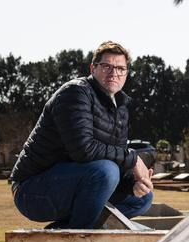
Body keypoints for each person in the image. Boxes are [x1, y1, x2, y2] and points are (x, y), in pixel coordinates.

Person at [10, 41, 153, 229]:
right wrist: (133, 159)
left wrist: (132, 185)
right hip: (33, 191)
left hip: (78, 183)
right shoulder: (76, 92)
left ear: (126, 73)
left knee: (141, 198)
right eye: (106, 66)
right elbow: (83, 150)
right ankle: (77, 239)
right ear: (93, 68)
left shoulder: (121, 107)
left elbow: (113, 156)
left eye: (120, 68)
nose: (113, 73)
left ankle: (62, 231)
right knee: (106, 171)